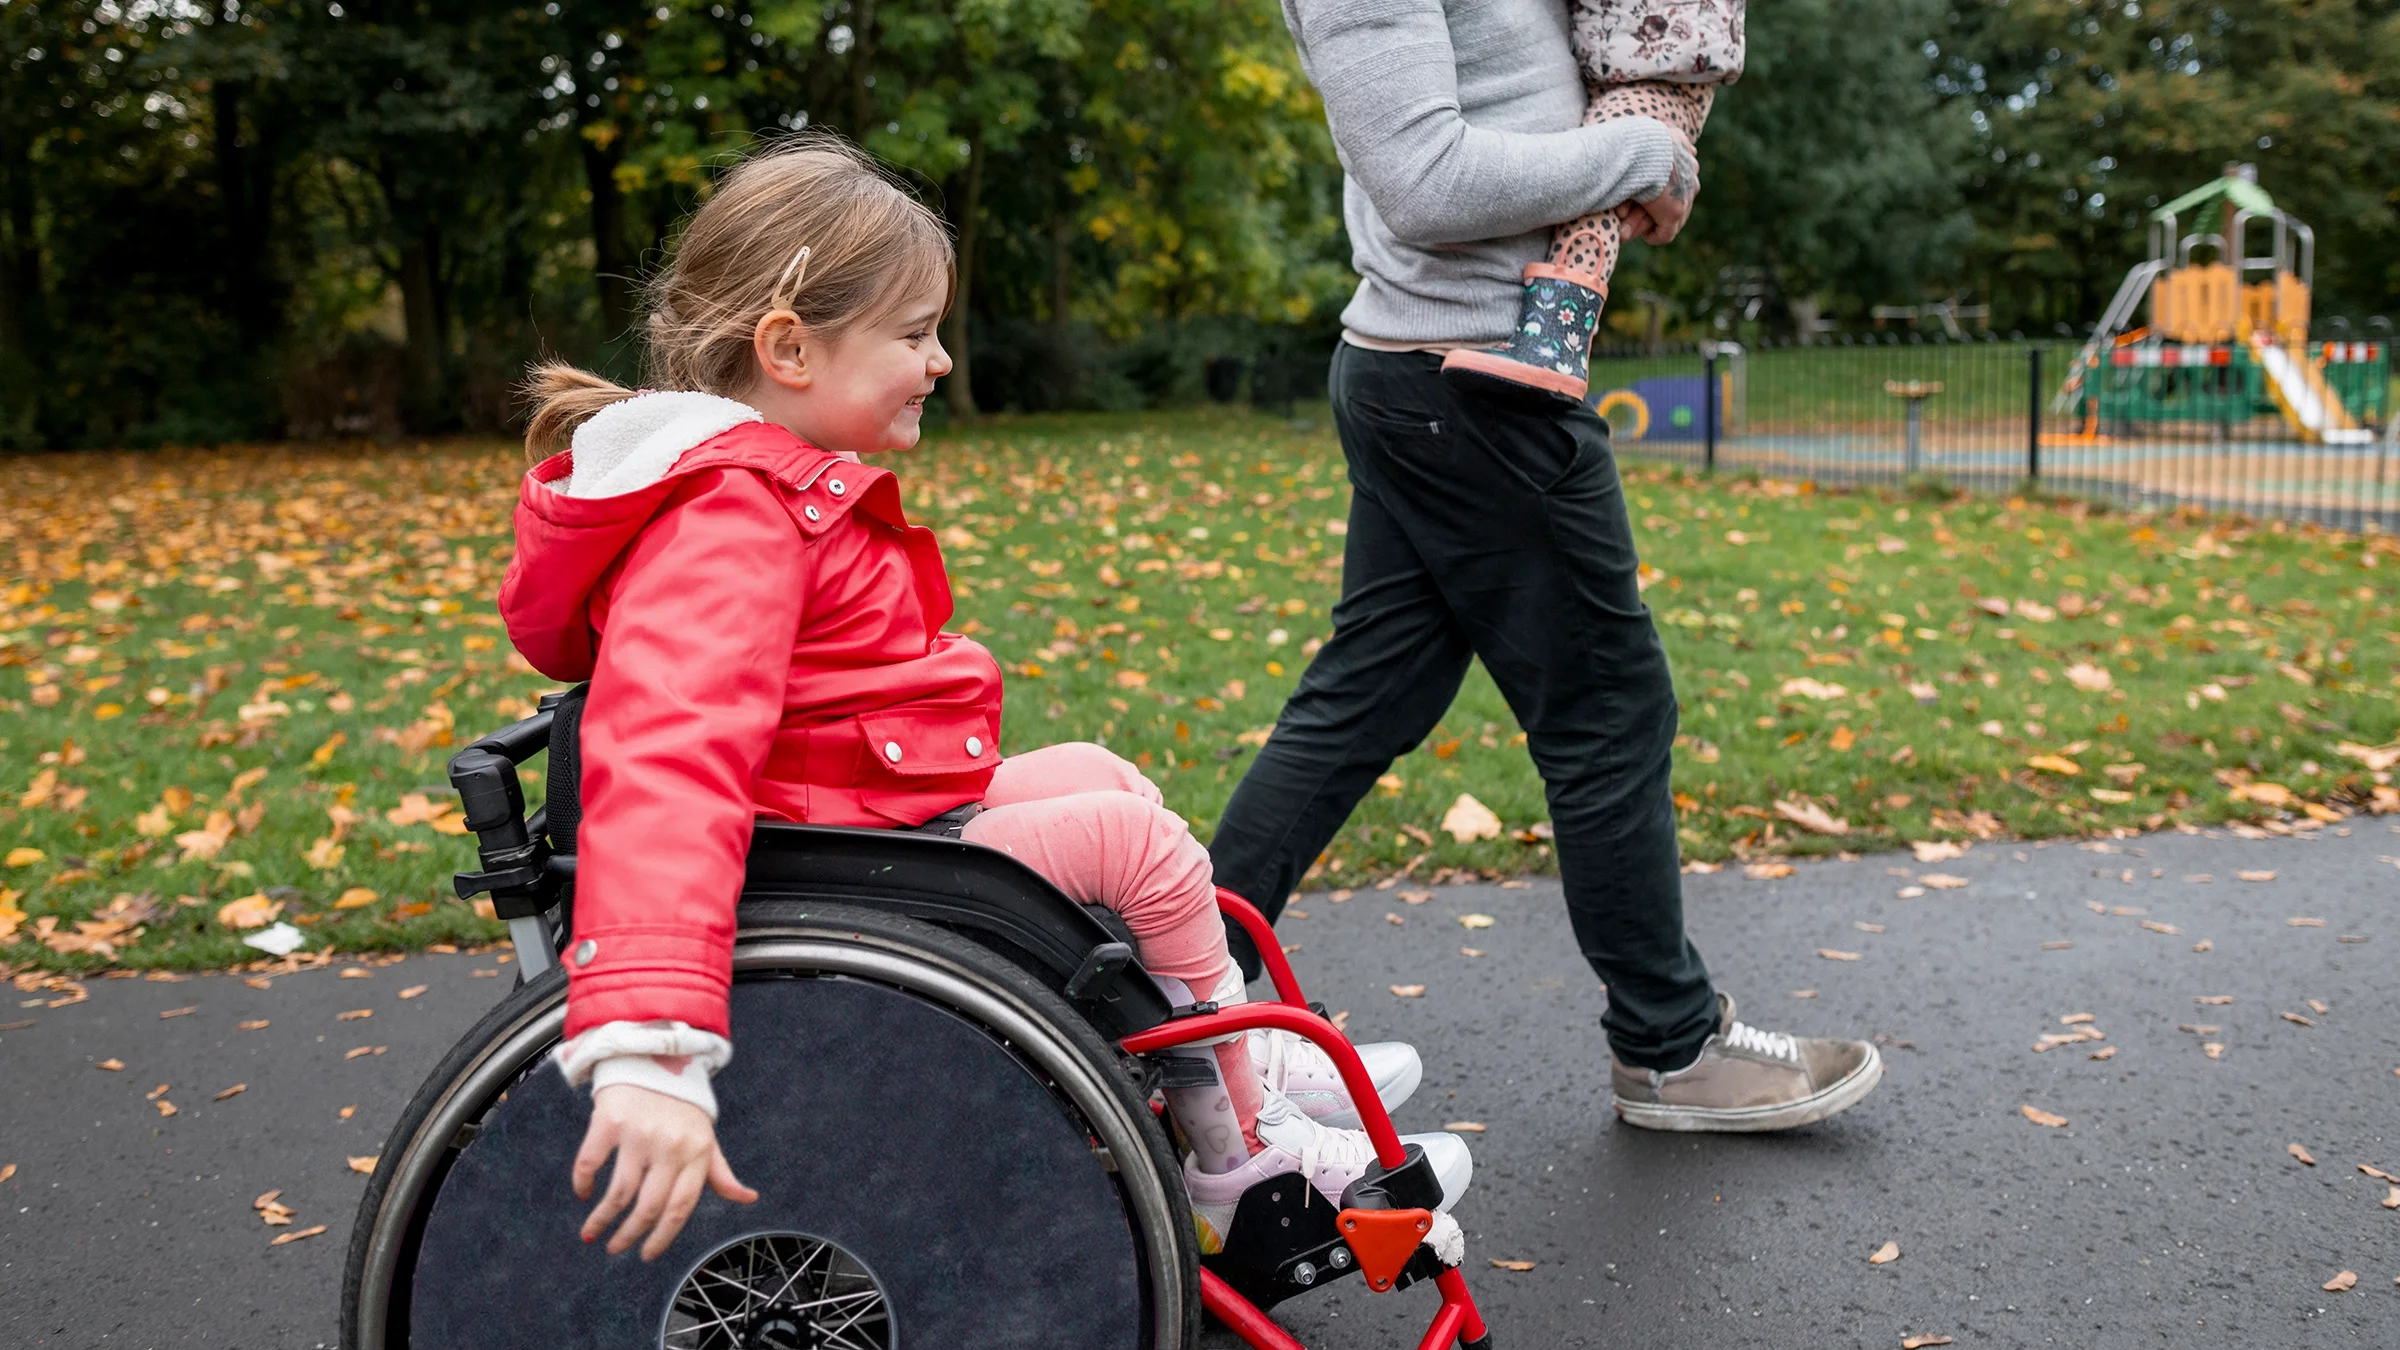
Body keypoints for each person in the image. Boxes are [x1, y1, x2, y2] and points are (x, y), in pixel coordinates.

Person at [494, 136, 1473, 1264]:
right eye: (914, 334)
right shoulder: (731, 519)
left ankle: (1241, 1060)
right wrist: (650, 1044)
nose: (943, 359)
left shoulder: (748, 494)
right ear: (789, 348)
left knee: (1099, 777)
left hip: (842, 820)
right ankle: (1238, 1156)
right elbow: (667, 750)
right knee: (1125, 839)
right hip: (827, 863)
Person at [1212, 0, 1883, 1133]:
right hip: (1471, 386)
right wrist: (1646, 152)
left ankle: (1163, 989)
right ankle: (1670, 1049)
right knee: (1608, 710)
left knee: (1363, 701)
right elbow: (1425, 182)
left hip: (1437, 375)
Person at [1443, 0, 1746, 403]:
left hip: (1658, 72)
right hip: (1639, 61)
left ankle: (1556, 343)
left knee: (1597, 188)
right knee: (1601, 179)